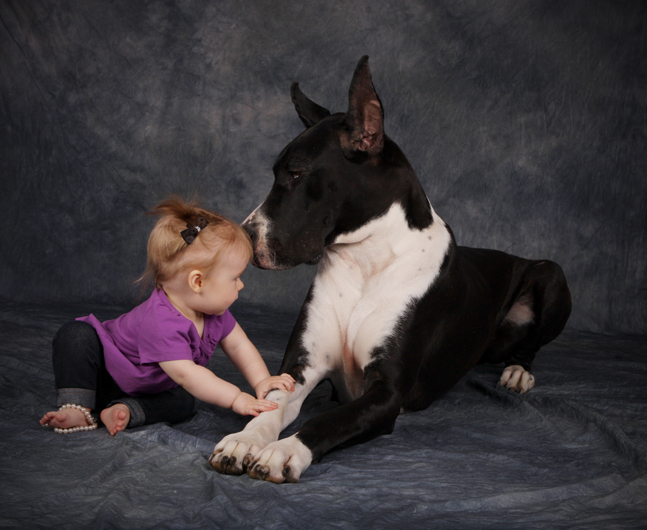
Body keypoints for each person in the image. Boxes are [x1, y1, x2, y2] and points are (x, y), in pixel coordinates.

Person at [40, 196, 294, 436]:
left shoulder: (215, 313)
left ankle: (124, 411)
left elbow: (239, 345)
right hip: (102, 374)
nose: (241, 286)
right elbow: (187, 374)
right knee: (76, 336)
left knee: (184, 401)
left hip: (147, 389)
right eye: (235, 278)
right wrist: (237, 397)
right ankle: (77, 407)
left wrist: (262, 381)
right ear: (197, 282)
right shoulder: (161, 321)